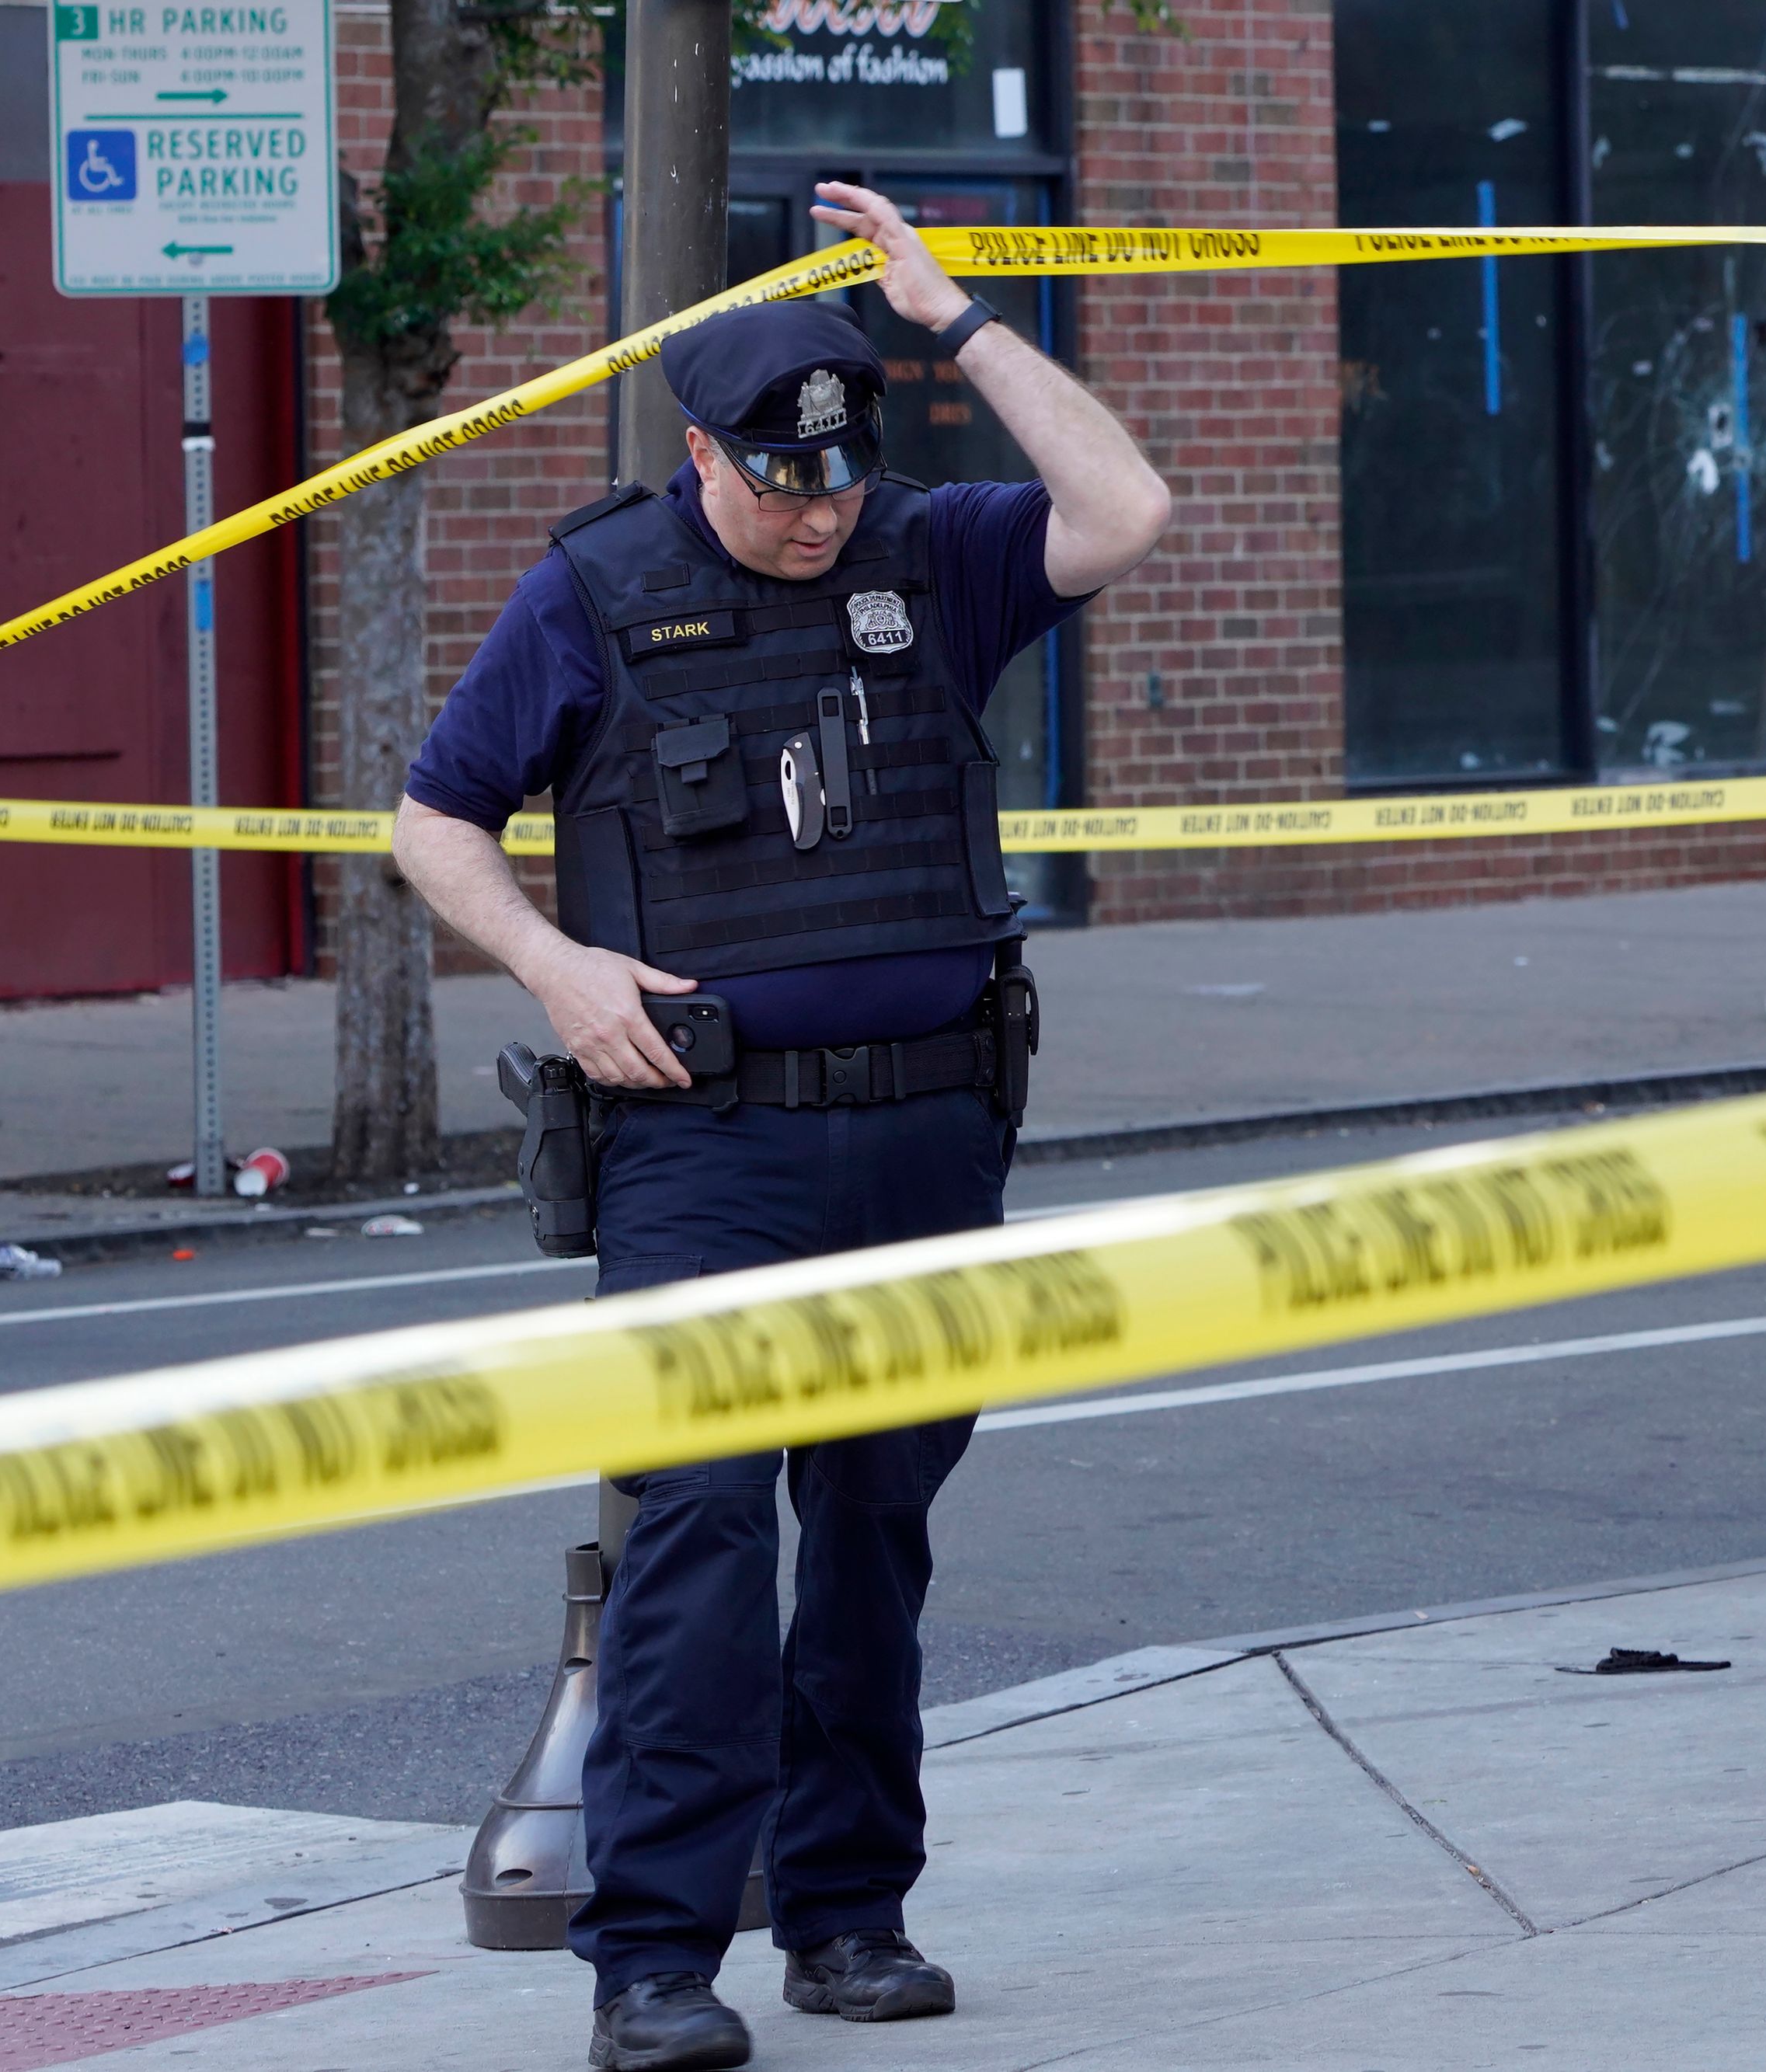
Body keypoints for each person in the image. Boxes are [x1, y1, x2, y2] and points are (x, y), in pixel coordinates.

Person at [393, 181, 1170, 2072]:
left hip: (924, 1135)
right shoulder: (592, 591)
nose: (814, 516)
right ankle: (651, 1959)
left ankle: (847, 1912)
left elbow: (1127, 509)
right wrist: (555, 967)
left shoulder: (941, 551)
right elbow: (433, 819)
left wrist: (954, 316)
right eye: (775, 484)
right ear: (699, 454)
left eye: (835, 483)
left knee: (875, 1535)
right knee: (699, 1542)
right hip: (702, 1146)